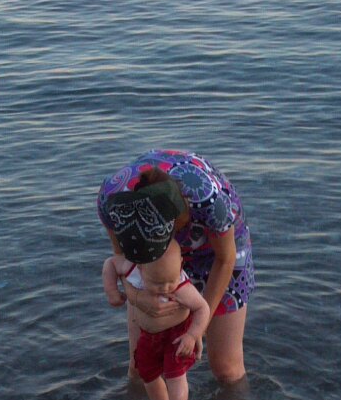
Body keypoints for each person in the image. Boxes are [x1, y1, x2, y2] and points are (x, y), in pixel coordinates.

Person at [98, 149, 255, 383]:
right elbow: (122, 260)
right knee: (141, 368)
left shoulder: (209, 199)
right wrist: (138, 297)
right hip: (152, 250)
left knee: (226, 368)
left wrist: (197, 329)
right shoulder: (112, 201)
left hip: (219, 250)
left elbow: (226, 259)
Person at [103, 240, 210, 400]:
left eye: (171, 281)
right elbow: (110, 263)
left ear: (180, 266)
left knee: (175, 374)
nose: (166, 288)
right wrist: (112, 291)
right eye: (158, 283)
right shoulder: (132, 270)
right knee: (146, 370)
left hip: (177, 336)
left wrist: (192, 335)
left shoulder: (180, 286)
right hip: (149, 336)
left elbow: (202, 308)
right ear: (141, 268)